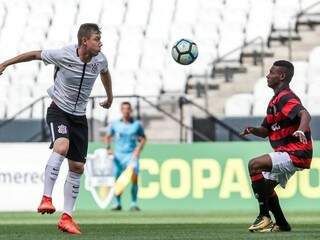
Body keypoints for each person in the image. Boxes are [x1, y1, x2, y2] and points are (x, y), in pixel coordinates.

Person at [0, 23, 113, 234]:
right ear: (84, 41)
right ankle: (46, 198)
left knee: (78, 167)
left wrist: (110, 96)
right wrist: (5, 63)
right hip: (58, 110)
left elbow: (105, 73)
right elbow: (35, 55)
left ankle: (67, 218)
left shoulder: (100, 60)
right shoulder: (63, 55)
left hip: (79, 117)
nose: (101, 42)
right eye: (97, 39)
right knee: (61, 147)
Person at [240, 60, 313, 232]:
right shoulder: (275, 101)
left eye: (271, 72)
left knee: (254, 165)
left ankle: (264, 216)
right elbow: (265, 131)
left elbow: (305, 114)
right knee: (265, 188)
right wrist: (252, 130)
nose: (267, 75)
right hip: (287, 152)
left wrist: (301, 130)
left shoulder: (286, 97)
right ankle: (281, 223)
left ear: (281, 76)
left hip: (296, 152)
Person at [104, 101, 146, 211]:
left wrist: (138, 148)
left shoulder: (136, 125)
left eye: (128, 109)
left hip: (131, 155)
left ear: (131, 110)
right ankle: (117, 203)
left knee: (134, 177)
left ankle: (133, 203)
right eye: (124, 109)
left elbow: (143, 138)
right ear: (121, 110)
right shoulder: (115, 124)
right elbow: (108, 136)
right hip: (118, 155)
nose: (126, 111)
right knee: (118, 179)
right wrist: (108, 148)